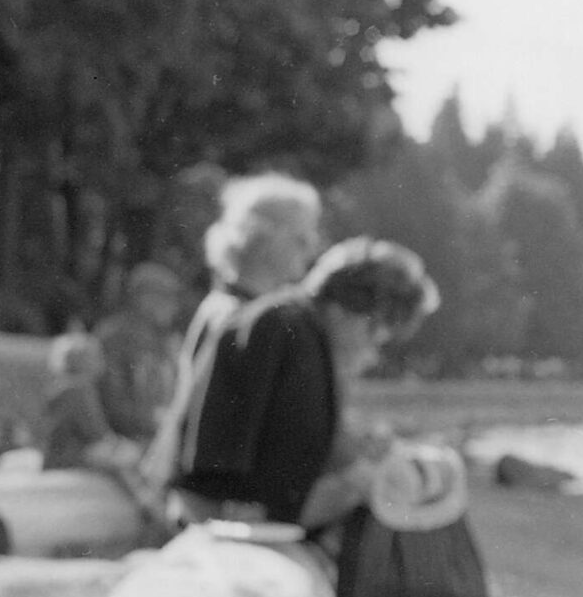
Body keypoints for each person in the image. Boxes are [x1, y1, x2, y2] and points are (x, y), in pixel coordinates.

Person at [178, 237, 438, 549]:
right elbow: (238, 476)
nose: (374, 346)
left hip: (255, 519)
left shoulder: (304, 331)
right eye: (375, 329)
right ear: (349, 306)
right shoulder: (284, 328)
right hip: (233, 526)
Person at [141, 173, 325, 505]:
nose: (312, 249)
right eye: (301, 239)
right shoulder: (234, 315)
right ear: (263, 238)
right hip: (207, 498)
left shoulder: (238, 308)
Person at [92, 261, 186, 453]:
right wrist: (157, 421)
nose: (175, 307)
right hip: (123, 441)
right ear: (145, 299)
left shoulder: (169, 343)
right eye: (168, 298)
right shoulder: (113, 338)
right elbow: (112, 403)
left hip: (159, 440)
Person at [39, 333, 139, 476]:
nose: (102, 361)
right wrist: (117, 444)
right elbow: (96, 432)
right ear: (82, 360)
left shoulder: (64, 386)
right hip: (68, 459)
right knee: (128, 456)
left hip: (56, 456)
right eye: (96, 356)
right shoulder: (79, 389)